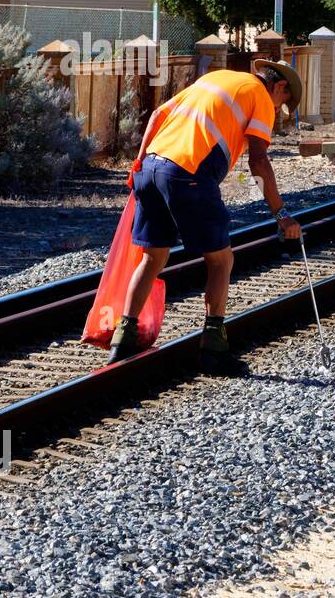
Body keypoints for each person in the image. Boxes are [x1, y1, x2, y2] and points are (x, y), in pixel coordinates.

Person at [107, 59, 304, 372]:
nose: (277, 110)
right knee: (221, 260)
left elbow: (158, 114)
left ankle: (122, 338)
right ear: (279, 87)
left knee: (152, 257)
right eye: (282, 102)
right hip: (188, 173)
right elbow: (258, 160)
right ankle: (213, 349)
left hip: (152, 167)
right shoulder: (260, 95)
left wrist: (138, 163)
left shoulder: (217, 77)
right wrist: (281, 213)